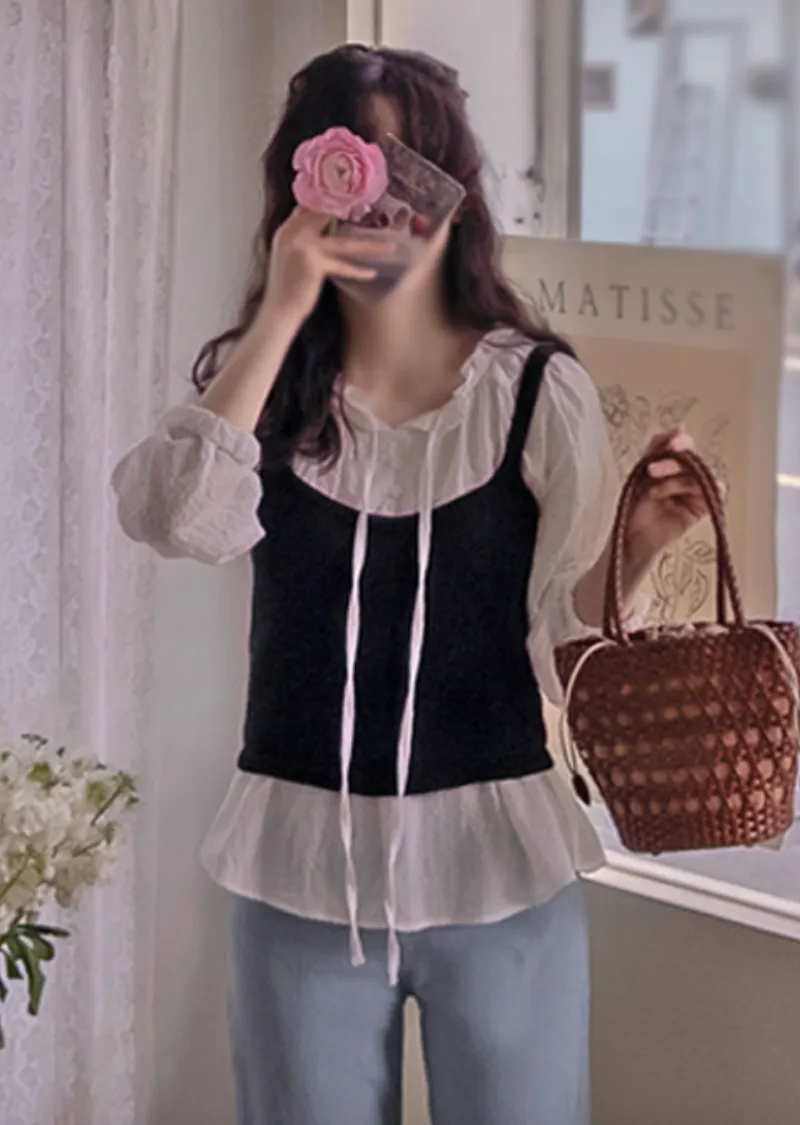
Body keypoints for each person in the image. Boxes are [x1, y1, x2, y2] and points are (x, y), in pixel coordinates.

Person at [112, 44, 710, 1125]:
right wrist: (281, 309)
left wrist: (635, 551)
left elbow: (554, 641)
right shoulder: (268, 396)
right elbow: (166, 517)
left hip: (496, 860)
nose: (382, 206)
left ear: (452, 190)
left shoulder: (534, 392)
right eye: (349, 171)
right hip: (300, 865)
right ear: (304, 187)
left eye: (409, 171)